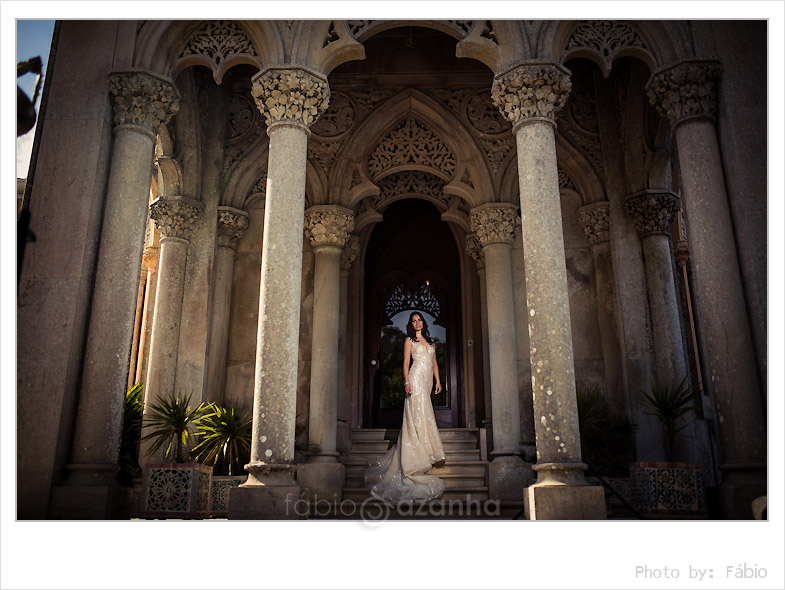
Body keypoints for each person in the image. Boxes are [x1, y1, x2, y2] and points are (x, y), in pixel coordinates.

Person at [364, 311, 446, 503]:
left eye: (419, 320)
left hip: (426, 381)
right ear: (411, 324)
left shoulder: (432, 342)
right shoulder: (409, 341)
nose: (417, 323)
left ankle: (425, 447)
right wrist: (406, 381)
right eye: (413, 321)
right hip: (416, 378)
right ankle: (414, 451)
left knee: (424, 413)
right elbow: (406, 362)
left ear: (423, 323)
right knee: (415, 413)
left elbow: (434, 363)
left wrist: (438, 381)